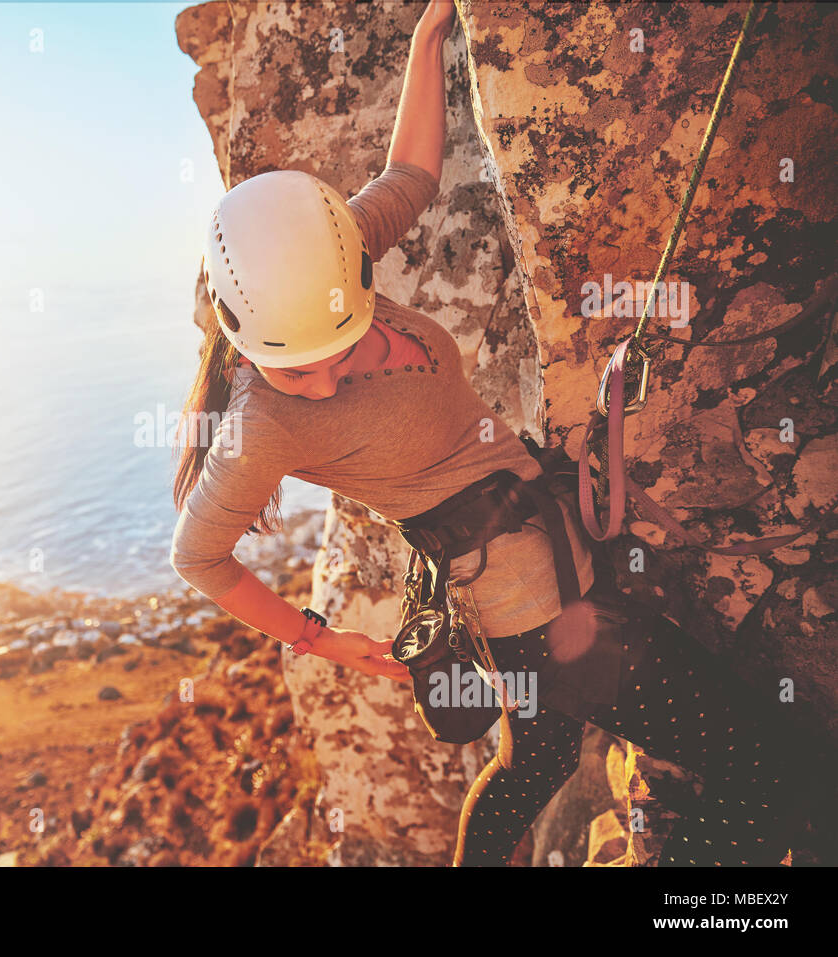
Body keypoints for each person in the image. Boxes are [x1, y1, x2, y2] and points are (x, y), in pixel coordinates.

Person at [169, 0, 816, 866]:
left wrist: (432, 32)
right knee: (771, 767)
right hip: (535, 619)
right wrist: (326, 641)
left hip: (533, 570)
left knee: (534, 762)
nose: (323, 379)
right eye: (296, 371)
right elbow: (197, 557)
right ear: (248, 342)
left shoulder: (335, 258)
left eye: (340, 343)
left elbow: (411, 170)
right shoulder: (263, 423)